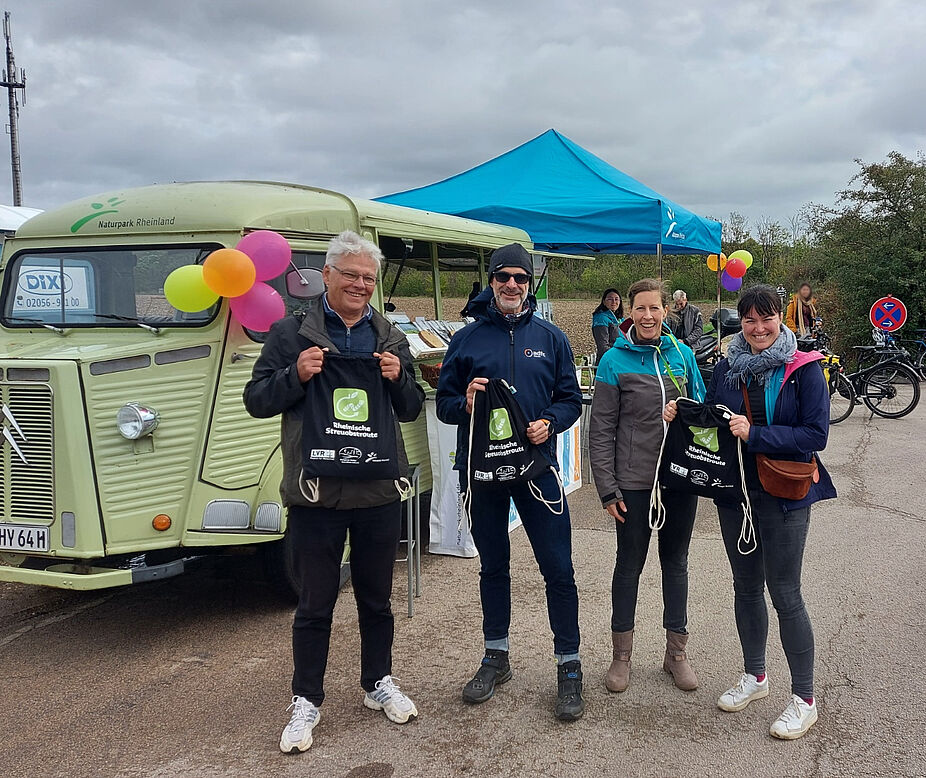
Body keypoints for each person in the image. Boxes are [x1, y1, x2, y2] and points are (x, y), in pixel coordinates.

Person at [244, 230, 425, 754]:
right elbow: (256, 399)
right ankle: (306, 699)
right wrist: (294, 375)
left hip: (376, 494)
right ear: (326, 275)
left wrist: (398, 380)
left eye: (368, 278)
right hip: (315, 494)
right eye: (350, 275)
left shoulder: (390, 337)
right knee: (314, 603)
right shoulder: (291, 333)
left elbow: (411, 407)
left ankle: (378, 683)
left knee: (377, 600)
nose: (360, 285)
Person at [665, 283, 836, 740]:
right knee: (745, 587)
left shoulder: (804, 369)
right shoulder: (727, 368)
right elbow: (715, 418)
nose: (758, 328)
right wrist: (680, 413)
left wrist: (755, 435)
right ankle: (755, 676)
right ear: (739, 322)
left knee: (785, 593)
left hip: (785, 494)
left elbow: (814, 435)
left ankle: (804, 698)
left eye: (767, 319)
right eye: (749, 320)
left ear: (781, 319)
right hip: (735, 493)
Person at [435, 243, 585, 721]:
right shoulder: (468, 339)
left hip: (537, 469)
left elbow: (571, 399)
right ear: (492, 281)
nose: (512, 285)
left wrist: (551, 422)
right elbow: (444, 404)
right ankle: (495, 656)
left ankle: (569, 666)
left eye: (520, 278)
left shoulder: (552, 337)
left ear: (530, 284)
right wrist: (467, 405)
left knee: (558, 569)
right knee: (493, 567)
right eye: (503, 277)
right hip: (483, 472)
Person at [588, 279, 705, 696]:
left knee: (676, 562)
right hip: (633, 483)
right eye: (641, 308)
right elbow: (600, 429)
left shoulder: (683, 355)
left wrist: (685, 411)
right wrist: (607, 488)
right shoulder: (613, 361)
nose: (649, 316)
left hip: (677, 479)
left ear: (666, 311)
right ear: (629, 313)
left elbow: (703, 412)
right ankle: (621, 656)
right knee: (629, 564)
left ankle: (676, 654)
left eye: (655, 308)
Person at [592, 288, 625, 364]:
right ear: (604, 302)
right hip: (608, 362)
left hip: (619, 361)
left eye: (616, 299)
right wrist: (619, 357)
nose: (614, 302)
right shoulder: (601, 318)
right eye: (610, 299)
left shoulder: (620, 319)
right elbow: (603, 346)